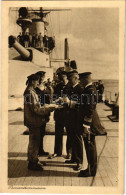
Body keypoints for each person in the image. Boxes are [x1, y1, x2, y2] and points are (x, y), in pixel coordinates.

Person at [24, 74, 55, 170]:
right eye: (37, 81)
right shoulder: (30, 93)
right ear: (33, 81)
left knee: (33, 142)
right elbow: (36, 109)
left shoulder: (30, 91)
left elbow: (35, 107)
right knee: (34, 143)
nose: (38, 83)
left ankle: (34, 160)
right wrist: (48, 109)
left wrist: (45, 106)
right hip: (34, 122)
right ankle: (33, 163)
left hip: (33, 121)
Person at [78, 72, 104, 177]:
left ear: (85, 80)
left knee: (90, 146)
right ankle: (90, 168)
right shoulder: (89, 89)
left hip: (89, 123)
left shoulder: (90, 91)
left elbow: (90, 109)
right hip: (88, 122)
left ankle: (91, 171)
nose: (80, 82)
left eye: (81, 80)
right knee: (89, 146)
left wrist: (86, 126)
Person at [49, 70, 72, 159]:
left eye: (62, 78)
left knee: (70, 134)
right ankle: (57, 152)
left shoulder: (71, 86)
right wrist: (56, 100)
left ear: (66, 77)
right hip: (59, 113)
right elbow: (54, 98)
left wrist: (65, 100)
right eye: (59, 78)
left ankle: (69, 152)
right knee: (58, 133)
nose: (61, 80)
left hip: (68, 113)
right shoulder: (58, 86)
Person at [64, 70, 83, 171]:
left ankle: (79, 162)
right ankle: (74, 158)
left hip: (76, 118)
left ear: (76, 78)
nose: (68, 80)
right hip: (69, 118)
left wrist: (69, 102)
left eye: (70, 78)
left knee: (77, 139)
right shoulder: (70, 88)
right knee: (71, 138)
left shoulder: (80, 89)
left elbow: (82, 104)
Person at [35, 71, 53, 156]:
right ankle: (36, 151)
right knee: (37, 133)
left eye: (43, 77)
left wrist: (48, 113)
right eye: (40, 77)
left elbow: (48, 99)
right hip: (37, 112)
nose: (42, 79)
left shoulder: (45, 88)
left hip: (44, 112)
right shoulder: (35, 89)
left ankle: (40, 150)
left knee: (42, 132)